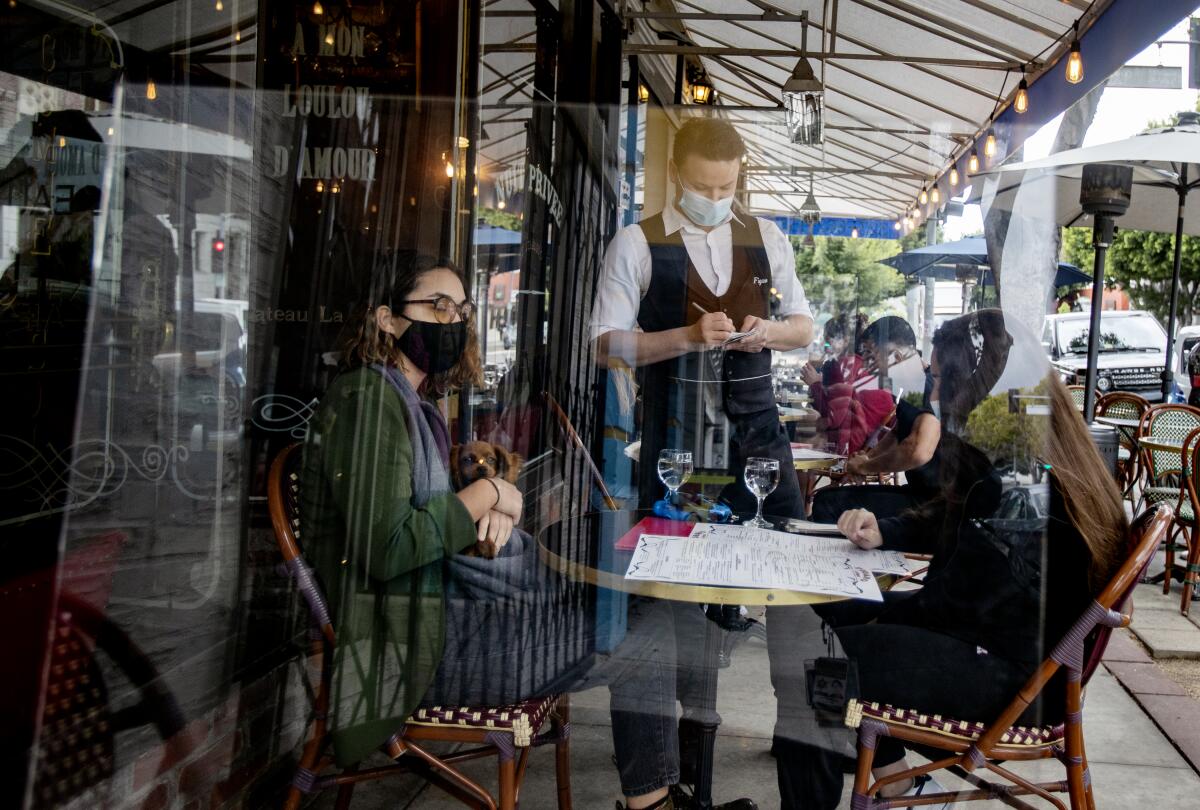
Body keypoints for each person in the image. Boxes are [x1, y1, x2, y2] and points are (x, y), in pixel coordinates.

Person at [302, 251, 709, 810]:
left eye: (462, 309)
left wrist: (480, 511)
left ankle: (655, 797)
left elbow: (422, 514)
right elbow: (388, 547)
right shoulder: (366, 403)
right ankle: (653, 802)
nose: (455, 321)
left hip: (443, 620)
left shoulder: (405, 401)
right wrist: (489, 492)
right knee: (646, 629)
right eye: (437, 306)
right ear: (386, 318)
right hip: (413, 652)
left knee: (639, 610)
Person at [768, 309, 1128, 809]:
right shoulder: (1025, 459)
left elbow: (953, 605)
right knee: (825, 629)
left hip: (1010, 682)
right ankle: (893, 777)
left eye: (937, 378)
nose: (932, 394)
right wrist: (885, 534)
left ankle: (859, 767)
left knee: (813, 672)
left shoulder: (1016, 485)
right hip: (1009, 651)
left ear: (973, 386)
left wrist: (872, 606)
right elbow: (954, 539)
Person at [593, 116, 814, 519]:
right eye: (700, 187)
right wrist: (688, 337)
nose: (714, 198)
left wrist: (767, 332)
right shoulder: (637, 243)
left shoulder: (766, 237)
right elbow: (604, 346)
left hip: (760, 442)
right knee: (671, 565)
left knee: (775, 562)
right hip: (677, 442)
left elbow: (803, 328)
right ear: (676, 173)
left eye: (725, 187)